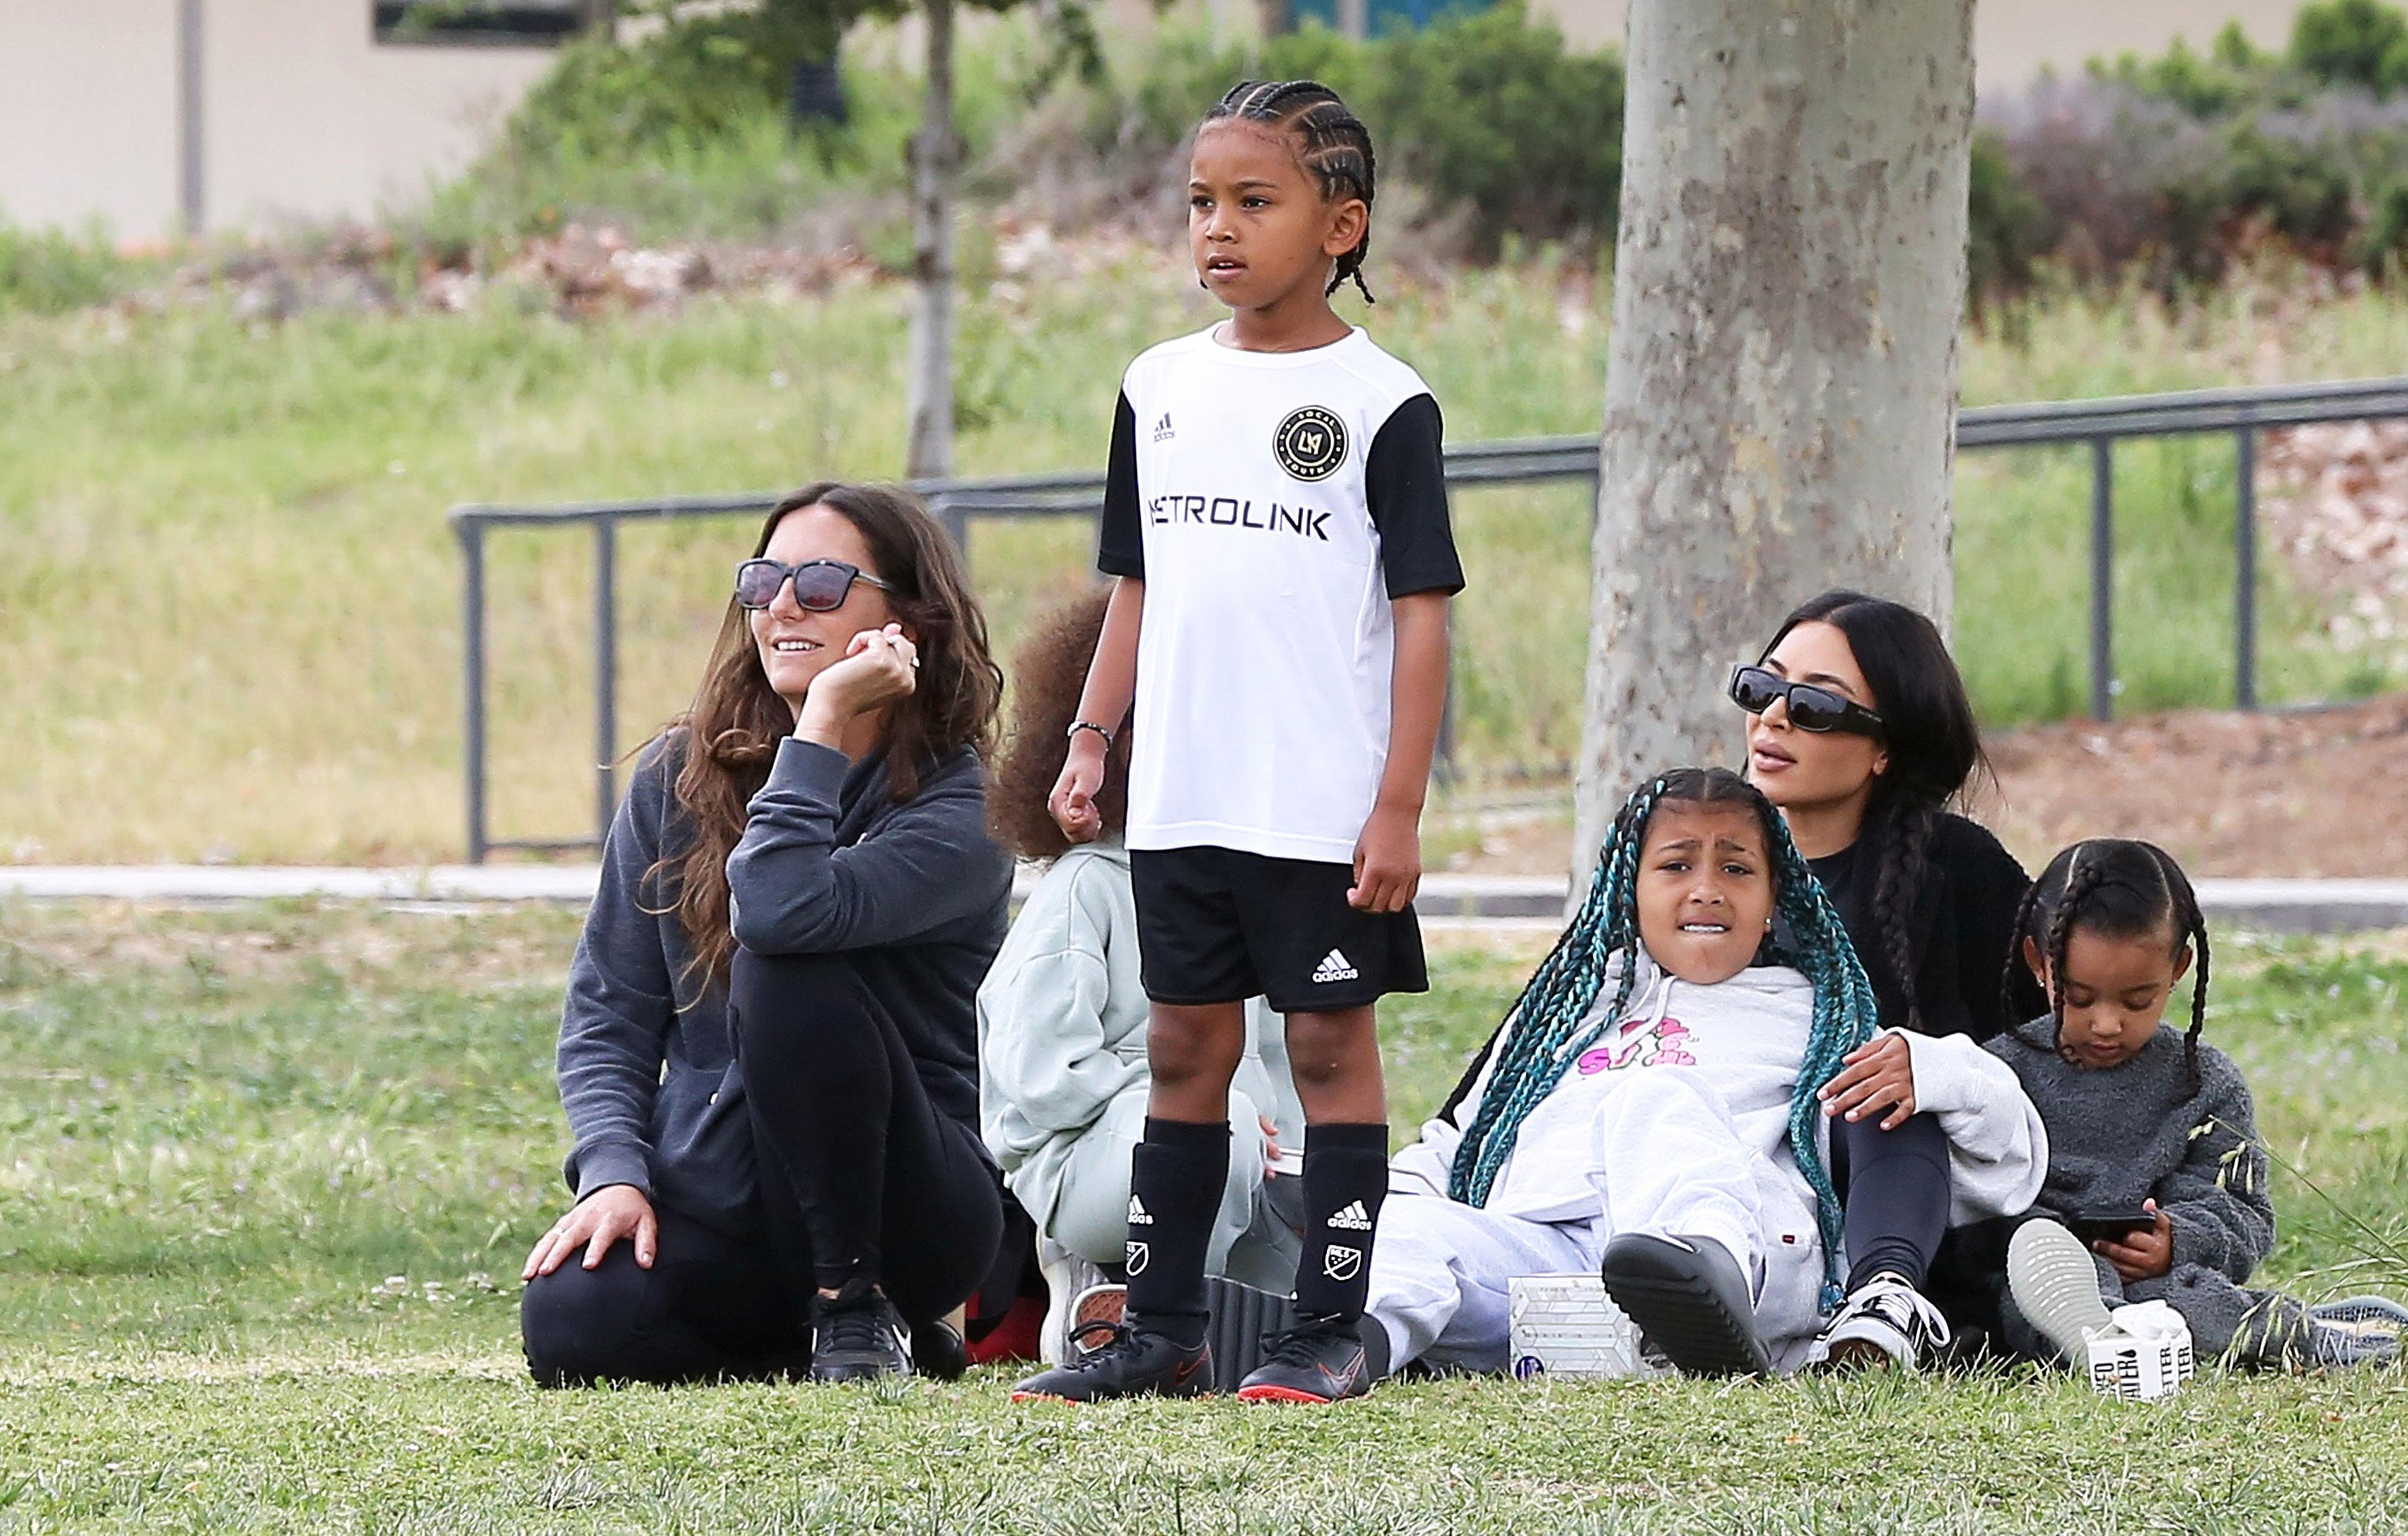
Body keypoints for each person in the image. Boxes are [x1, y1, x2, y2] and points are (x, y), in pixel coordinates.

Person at [1011, 78, 1463, 1405]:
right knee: (1183, 1049)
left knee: (1326, 1051)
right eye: (1201, 202)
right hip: (1187, 804)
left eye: (1253, 202)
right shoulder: (1156, 387)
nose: (1218, 229)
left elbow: (1419, 622)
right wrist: (1094, 739)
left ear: (1342, 223)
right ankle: (1161, 1329)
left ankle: (1327, 1329)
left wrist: (1396, 809)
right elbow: (1137, 588)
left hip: (1319, 812)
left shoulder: (1385, 405)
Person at [519, 482, 1014, 1387]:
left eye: (821, 582)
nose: (781, 605)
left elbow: (782, 910)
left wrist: (820, 721)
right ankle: (840, 1340)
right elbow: (609, 1012)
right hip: (728, 1190)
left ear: (908, 617)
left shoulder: (963, 807)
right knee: (573, 1323)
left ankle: (857, 1305)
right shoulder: (679, 775)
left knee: (785, 969)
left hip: (908, 1205)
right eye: (763, 580)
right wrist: (615, 1173)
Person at [1362, 769, 2042, 1378]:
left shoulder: (1817, 1013)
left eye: (1738, 870)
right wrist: (1370, 1205)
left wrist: (1931, 1065)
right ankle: (1347, 1339)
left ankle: (1697, 1274)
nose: (1707, 890)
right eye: (1677, 866)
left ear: (1778, 896)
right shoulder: (1566, 1011)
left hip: (1749, 1266)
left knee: (1655, 1096)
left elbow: (2007, 1156)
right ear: (1628, 891)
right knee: (1410, 1238)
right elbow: (1463, 1143)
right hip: (1559, 1270)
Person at [977, 591, 1305, 1363]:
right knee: (1208, 1130)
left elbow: (1295, 1075)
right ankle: (1107, 1285)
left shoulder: (1258, 899)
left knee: (1336, 1244)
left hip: (1244, 1173)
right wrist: (1189, 1106)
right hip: (1092, 1162)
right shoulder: (1086, 886)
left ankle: (1205, 1313)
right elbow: (1036, 1080)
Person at [1735, 590, 2039, 1369]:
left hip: (1889, 1207)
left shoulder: (1960, 874)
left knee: (1887, 1080)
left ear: (1885, 749)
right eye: (1762, 689)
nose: (1773, 718)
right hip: (1711, 1179)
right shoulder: (1693, 855)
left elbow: (2049, 1066)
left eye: (1814, 707)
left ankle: (1883, 1306)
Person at [1981, 840, 2400, 1371]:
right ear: (2038, 963)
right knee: (2042, 1288)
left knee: (2192, 1306)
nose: (2107, 1024)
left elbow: (2243, 1214)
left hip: (2167, 1286)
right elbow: (1972, 1204)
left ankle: (2299, 1336)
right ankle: (2105, 1337)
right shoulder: (1994, 1076)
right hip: (2041, 1286)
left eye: (2138, 1001)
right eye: (2079, 998)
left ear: (2178, 969)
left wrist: (2174, 1240)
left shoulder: (2206, 1083)